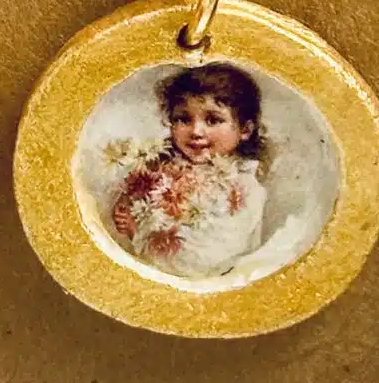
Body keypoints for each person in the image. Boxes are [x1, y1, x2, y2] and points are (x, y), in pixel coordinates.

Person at [110, 62, 268, 279]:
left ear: (245, 130)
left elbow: (204, 262)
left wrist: (136, 233)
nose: (196, 132)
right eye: (183, 119)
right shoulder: (164, 169)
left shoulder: (243, 189)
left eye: (213, 120)